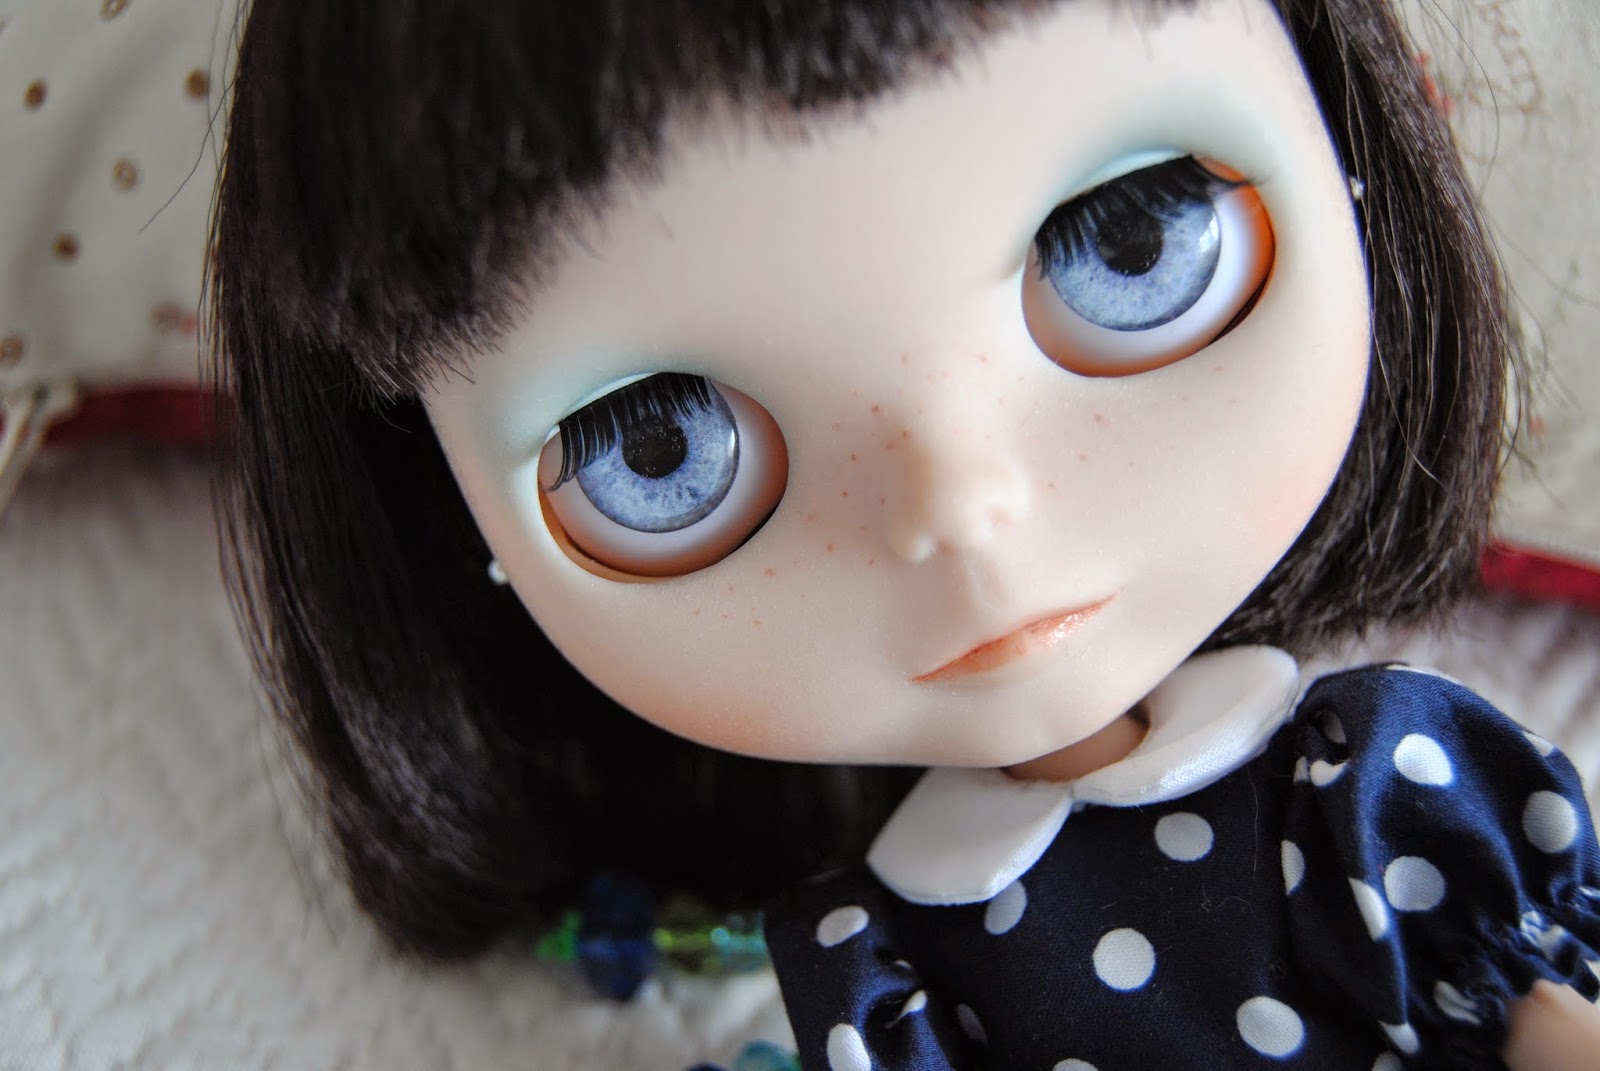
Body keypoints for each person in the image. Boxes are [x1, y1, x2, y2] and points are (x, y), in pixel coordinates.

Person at [211, 0, 1599, 1066]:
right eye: (661, 449)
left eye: (1131, 241)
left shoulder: (1367, 796)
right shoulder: (884, 969)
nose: (957, 511)